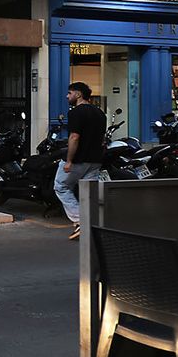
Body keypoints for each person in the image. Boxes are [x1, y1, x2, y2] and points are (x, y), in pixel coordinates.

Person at [55, 82, 106, 241]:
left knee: (61, 186)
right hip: (95, 160)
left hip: (79, 159)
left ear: (78, 94)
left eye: (69, 93)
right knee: (88, 193)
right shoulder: (100, 113)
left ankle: (80, 221)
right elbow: (102, 139)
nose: (67, 96)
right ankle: (92, 223)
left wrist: (69, 160)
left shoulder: (76, 112)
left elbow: (74, 137)